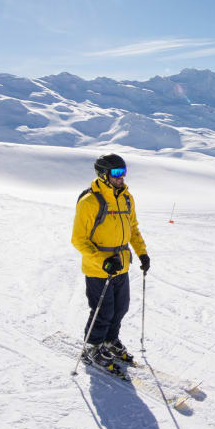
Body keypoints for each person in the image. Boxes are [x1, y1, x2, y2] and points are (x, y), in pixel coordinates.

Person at [71, 153, 150, 368]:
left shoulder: (126, 198)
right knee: (103, 311)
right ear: (103, 174)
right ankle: (93, 346)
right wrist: (103, 261)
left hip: (121, 265)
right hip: (98, 269)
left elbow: (133, 229)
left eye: (124, 172)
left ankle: (109, 340)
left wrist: (142, 253)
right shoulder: (90, 202)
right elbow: (78, 239)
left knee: (120, 308)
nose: (121, 177)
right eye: (116, 172)